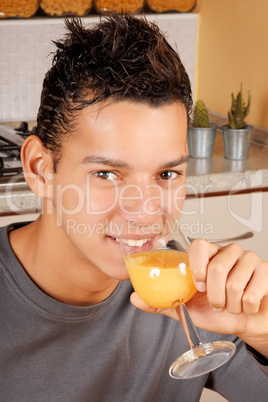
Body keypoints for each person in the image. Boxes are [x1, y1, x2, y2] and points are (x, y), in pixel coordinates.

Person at [0, 13, 267, 401]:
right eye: (107, 174)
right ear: (41, 169)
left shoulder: (194, 295)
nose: (145, 213)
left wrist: (262, 335)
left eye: (167, 174)